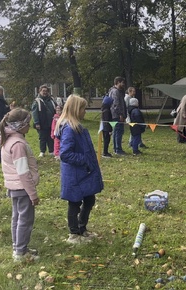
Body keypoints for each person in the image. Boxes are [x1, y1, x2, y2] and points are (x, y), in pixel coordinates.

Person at [54, 95, 104, 244]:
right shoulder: (69, 128)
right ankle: (74, 233)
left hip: (84, 173)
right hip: (76, 174)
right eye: (84, 109)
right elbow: (65, 154)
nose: (85, 112)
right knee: (74, 203)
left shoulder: (77, 126)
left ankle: (82, 228)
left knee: (89, 199)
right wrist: (85, 161)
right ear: (76, 109)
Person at [0, 108, 40, 262]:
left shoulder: (8, 140)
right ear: (20, 125)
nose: (30, 126)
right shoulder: (17, 144)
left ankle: (18, 247)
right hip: (23, 189)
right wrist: (33, 194)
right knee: (25, 220)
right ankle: (21, 252)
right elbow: (23, 172)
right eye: (28, 123)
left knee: (17, 218)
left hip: (14, 187)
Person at [31, 85, 56, 157]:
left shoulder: (51, 100)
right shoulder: (37, 101)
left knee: (51, 137)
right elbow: (34, 113)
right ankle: (42, 151)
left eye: (46, 91)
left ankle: (51, 151)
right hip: (42, 123)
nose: (45, 92)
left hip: (51, 123)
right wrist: (36, 123)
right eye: (43, 91)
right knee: (42, 138)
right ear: (40, 91)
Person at [109, 77, 127, 155]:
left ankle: (116, 148)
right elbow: (116, 104)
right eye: (122, 82)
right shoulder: (115, 92)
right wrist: (120, 114)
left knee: (116, 131)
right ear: (118, 82)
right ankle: (118, 149)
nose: (123, 84)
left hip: (117, 114)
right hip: (116, 115)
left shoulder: (118, 91)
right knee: (118, 131)